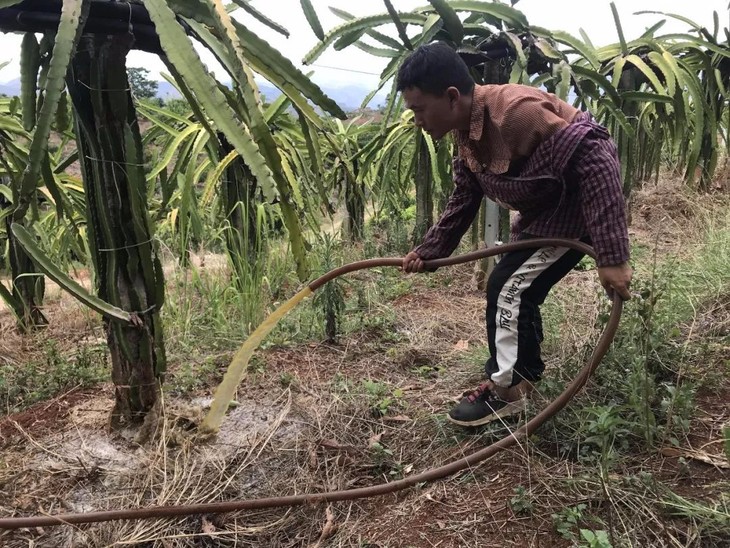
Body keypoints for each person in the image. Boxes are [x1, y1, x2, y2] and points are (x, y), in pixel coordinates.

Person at [397, 42, 632, 427]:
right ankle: (522, 377)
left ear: (452, 97)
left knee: (508, 288)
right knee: (517, 287)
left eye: (419, 109)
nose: (417, 120)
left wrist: (612, 255)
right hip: (543, 216)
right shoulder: (465, 133)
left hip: (577, 212)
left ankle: (507, 393)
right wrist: (430, 250)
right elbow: (465, 196)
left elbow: (595, 154)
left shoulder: (515, 113)